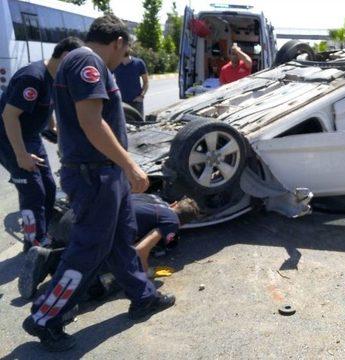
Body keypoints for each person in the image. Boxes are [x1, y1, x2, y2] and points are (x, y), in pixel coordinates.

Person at [22, 15, 175, 352]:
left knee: (121, 240)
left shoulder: (82, 61)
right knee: (88, 249)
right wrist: (131, 165)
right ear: (118, 41)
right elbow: (92, 123)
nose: (125, 60)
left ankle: (143, 296)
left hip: (106, 175)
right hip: (96, 175)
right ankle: (45, 316)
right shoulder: (86, 61)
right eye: (125, 52)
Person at [19, 194, 200, 300]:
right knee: (114, 271)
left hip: (71, 218)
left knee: (98, 250)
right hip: (88, 231)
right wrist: (144, 276)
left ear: (174, 204)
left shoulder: (152, 199)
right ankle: (60, 277)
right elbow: (140, 251)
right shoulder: (172, 222)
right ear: (182, 225)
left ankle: (49, 257)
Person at [0, 37, 83, 251]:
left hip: (31, 136)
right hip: (9, 138)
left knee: (48, 189)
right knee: (33, 192)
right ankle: (33, 243)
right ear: (65, 57)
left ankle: (42, 234)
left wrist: (53, 128)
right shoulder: (32, 78)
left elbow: (48, 105)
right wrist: (21, 155)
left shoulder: (55, 76)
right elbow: (9, 117)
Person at [113, 52, 148, 117]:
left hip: (136, 102)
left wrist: (141, 96)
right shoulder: (115, 64)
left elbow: (146, 82)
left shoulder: (139, 63)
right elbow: (108, 80)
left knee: (139, 124)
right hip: (121, 103)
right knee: (123, 125)